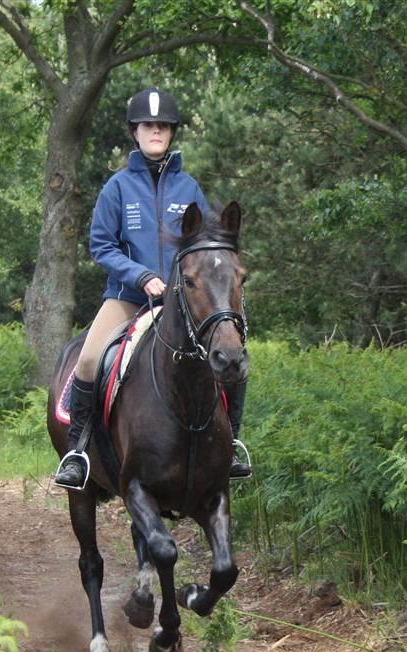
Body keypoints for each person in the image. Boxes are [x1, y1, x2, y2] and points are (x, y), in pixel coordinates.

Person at [54, 87, 251, 490]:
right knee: (88, 359)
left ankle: (231, 444)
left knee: (232, 358)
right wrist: (140, 276)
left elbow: (206, 248)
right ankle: (78, 451)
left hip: (183, 304)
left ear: (171, 132)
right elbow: (101, 246)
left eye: (162, 126)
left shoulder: (189, 189)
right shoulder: (117, 188)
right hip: (128, 299)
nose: (155, 132)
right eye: (148, 126)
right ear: (135, 132)